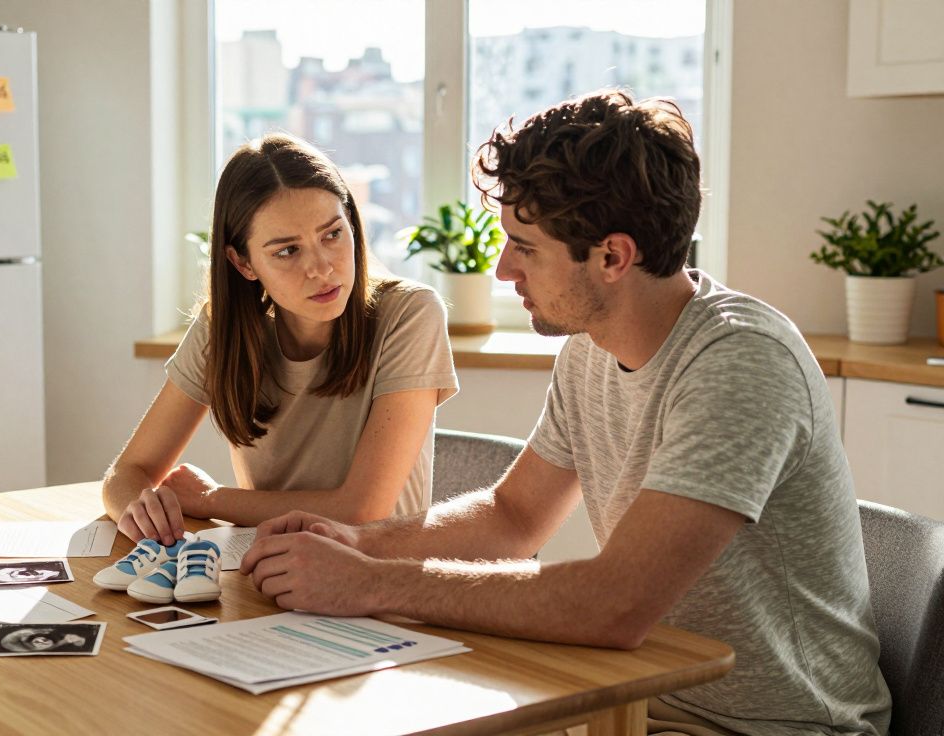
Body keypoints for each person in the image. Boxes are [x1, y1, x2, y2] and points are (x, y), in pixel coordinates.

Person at [241, 91, 891, 736]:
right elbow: (514, 516)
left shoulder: (741, 362)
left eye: (524, 248)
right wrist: (358, 543)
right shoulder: (591, 349)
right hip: (642, 698)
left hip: (776, 726)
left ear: (612, 257)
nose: (503, 270)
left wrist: (371, 583)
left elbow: (614, 604)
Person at [103, 133, 458, 545]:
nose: (321, 268)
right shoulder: (225, 328)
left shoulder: (411, 314)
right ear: (243, 263)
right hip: (267, 568)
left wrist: (211, 499)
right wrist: (140, 509)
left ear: (351, 222)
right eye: (288, 251)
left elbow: (362, 511)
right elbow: (126, 474)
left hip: (376, 575)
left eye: (332, 234)